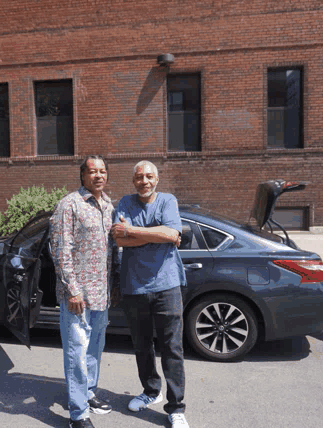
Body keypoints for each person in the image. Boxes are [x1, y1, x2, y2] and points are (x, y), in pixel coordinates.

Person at [111, 160, 189, 428]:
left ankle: (176, 407)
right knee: (142, 346)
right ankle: (150, 391)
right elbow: (119, 240)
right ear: (134, 181)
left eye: (149, 176)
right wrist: (158, 234)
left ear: (157, 179)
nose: (144, 181)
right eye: (139, 177)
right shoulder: (125, 202)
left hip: (167, 286)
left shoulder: (168, 201)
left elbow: (171, 232)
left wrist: (133, 230)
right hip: (134, 287)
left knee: (172, 348)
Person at [49, 155, 118, 428]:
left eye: (102, 171)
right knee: (76, 353)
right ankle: (77, 414)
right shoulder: (70, 205)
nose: (98, 176)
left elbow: (110, 252)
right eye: (92, 171)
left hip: (101, 294)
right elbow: (60, 250)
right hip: (77, 296)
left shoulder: (108, 206)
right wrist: (72, 290)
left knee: (94, 350)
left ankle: (88, 394)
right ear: (82, 175)